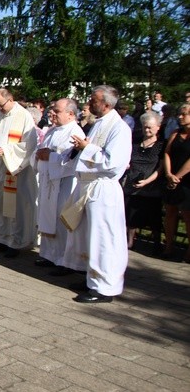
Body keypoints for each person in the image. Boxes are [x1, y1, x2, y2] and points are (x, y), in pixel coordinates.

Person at [65, 85, 132, 303]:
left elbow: (113, 163)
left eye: (93, 100)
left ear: (105, 103)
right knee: (89, 236)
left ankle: (105, 288)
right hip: (89, 187)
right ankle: (91, 279)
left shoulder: (119, 128)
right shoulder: (99, 124)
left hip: (103, 188)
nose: (89, 103)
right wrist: (81, 148)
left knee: (104, 239)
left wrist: (87, 147)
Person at [0, 88, 38, 258]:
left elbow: (28, 144)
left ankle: (16, 242)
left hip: (15, 169)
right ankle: (0, 238)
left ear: (11, 99)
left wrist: (5, 150)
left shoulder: (23, 116)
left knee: (16, 208)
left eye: (1, 105)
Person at [31, 98, 84, 272]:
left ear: (70, 114)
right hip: (48, 182)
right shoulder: (52, 131)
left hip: (64, 183)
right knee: (47, 217)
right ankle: (49, 255)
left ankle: (64, 260)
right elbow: (42, 149)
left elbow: (73, 160)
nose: (52, 113)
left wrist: (51, 156)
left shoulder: (76, 132)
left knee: (61, 221)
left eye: (57, 111)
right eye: (52, 110)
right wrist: (38, 155)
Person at [123, 112, 164, 254]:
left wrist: (147, 181)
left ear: (158, 127)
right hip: (133, 182)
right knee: (131, 213)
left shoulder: (161, 145)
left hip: (151, 184)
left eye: (150, 128)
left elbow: (161, 167)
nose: (147, 130)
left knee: (154, 215)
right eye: (145, 127)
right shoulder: (135, 141)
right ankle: (130, 241)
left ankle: (157, 243)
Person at [162, 102, 190, 262]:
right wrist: (169, 174)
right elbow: (167, 153)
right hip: (171, 177)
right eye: (179, 114)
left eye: (184, 114)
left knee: (187, 215)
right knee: (170, 213)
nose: (180, 117)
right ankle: (168, 246)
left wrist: (177, 177)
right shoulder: (175, 133)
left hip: (186, 181)